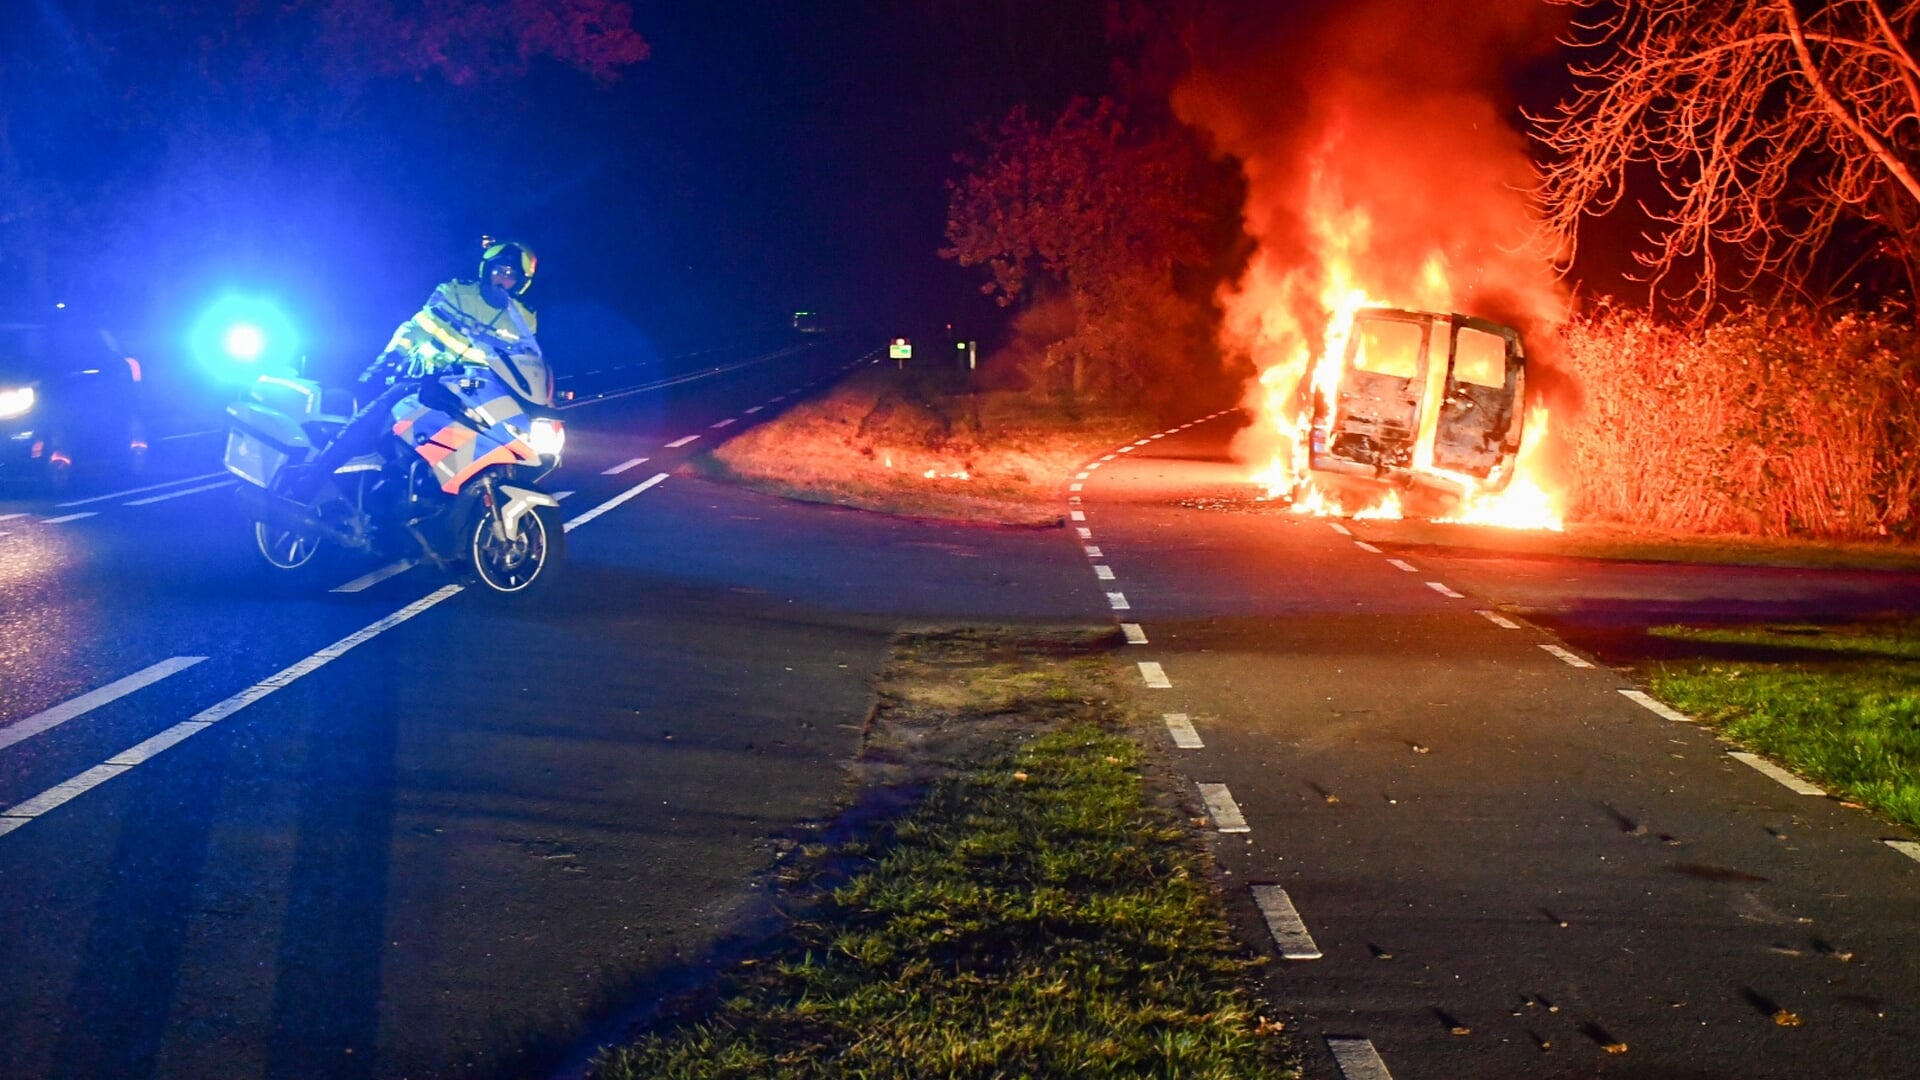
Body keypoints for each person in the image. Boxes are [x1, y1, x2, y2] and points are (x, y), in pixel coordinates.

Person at [294, 239, 541, 499]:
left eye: (511, 275)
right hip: (431, 379)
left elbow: (526, 361)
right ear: (486, 270)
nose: (502, 279)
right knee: (374, 416)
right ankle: (311, 479)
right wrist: (389, 359)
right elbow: (417, 328)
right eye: (499, 270)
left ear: (521, 282)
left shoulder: (524, 317)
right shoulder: (456, 292)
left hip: (481, 395)